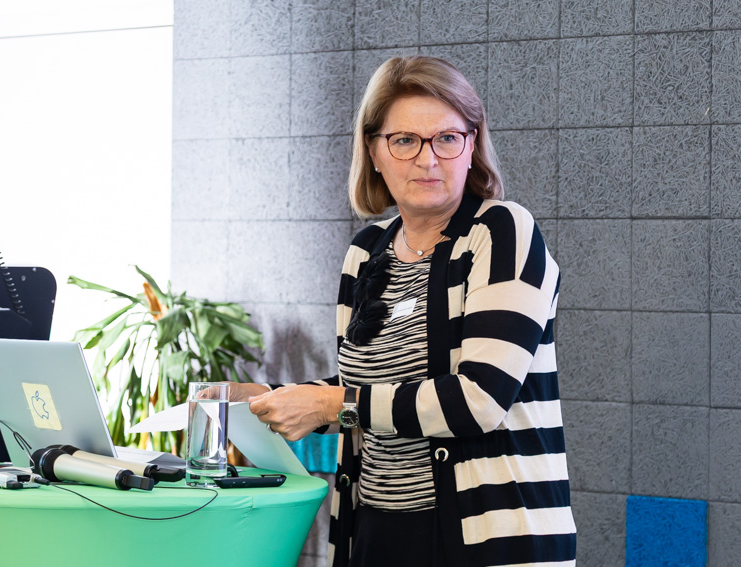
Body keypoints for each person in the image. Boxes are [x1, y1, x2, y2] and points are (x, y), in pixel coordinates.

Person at [213, 55, 576, 567]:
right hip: (376, 529)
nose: (428, 160)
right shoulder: (365, 252)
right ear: (374, 152)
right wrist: (267, 398)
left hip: (486, 538)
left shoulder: (501, 232)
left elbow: (479, 399)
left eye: (447, 138)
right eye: (405, 140)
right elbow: (365, 390)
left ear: (472, 145)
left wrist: (330, 404)